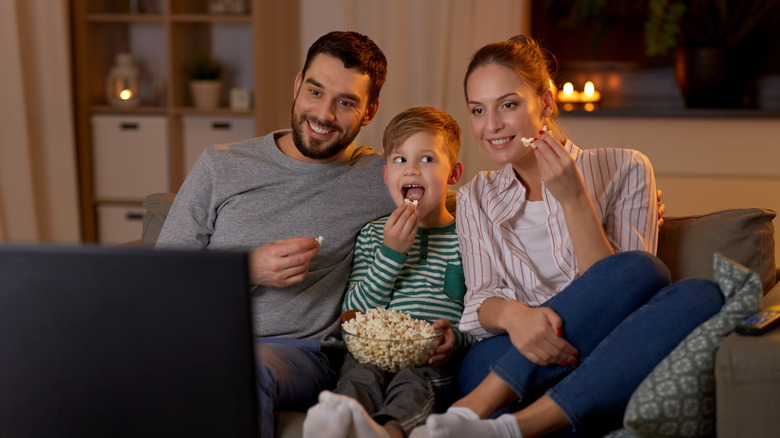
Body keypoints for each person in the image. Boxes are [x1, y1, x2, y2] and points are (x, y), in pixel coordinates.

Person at [410, 35, 724, 438]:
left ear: (545, 102)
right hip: (499, 357)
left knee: (700, 294)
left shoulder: (625, 168)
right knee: (641, 279)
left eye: (508, 104)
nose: (491, 126)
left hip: (596, 353)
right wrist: (518, 318)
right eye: (477, 110)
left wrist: (574, 199)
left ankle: (508, 427)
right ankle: (481, 403)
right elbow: (479, 299)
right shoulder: (476, 196)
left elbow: (626, 293)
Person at [155, 31, 397, 437]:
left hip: (299, 354)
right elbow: (161, 279)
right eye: (315, 91)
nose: (323, 114)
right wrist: (245, 270)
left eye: (346, 102)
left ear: (369, 111)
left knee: (238, 373)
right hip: (202, 340)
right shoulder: (221, 165)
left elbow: (472, 198)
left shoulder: (384, 178)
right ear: (297, 83)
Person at [302, 107, 474, 438]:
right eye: (400, 160)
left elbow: (477, 315)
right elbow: (352, 315)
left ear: (453, 173)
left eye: (427, 159)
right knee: (358, 376)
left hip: (430, 359)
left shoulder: (468, 240)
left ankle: (389, 432)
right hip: (373, 350)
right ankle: (339, 424)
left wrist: (457, 341)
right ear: (385, 176)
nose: (411, 168)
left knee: (414, 384)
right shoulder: (371, 235)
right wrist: (391, 254)